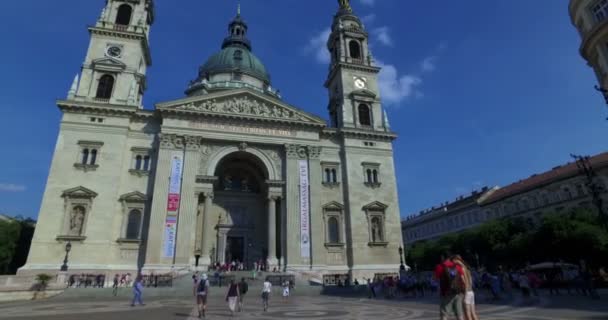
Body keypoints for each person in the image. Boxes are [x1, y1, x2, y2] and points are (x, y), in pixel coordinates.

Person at [434, 255, 465, 320]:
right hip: (458, 293)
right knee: (459, 314)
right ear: (450, 258)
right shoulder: (457, 266)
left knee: (444, 314)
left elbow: (435, 279)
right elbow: (463, 280)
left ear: (442, 258)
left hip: (446, 293)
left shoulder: (439, 267)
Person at [452, 256, 478, 320]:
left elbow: (464, 282)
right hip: (471, 292)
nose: (453, 263)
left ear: (456, 260)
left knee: (467, 314)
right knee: (473, 313)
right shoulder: (467, 269)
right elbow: (471, 282)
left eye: (453, 261)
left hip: (467, 293)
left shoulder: (461, 270)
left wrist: (465, 295)